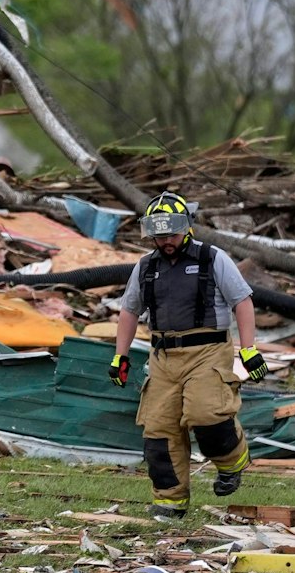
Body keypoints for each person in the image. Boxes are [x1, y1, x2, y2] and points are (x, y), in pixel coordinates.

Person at [110, 191, 267, 519]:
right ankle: (170, 505)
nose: (165, 241)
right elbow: (128, 311)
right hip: (163, 358)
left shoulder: (212, 258)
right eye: (158, 235)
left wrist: (249, 349)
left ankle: (232, 462)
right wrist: (120, 357)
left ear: (186, 229)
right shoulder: (145, 267)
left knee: (207, 415)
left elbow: (242, 301)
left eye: (171, 234)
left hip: (207, 351)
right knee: (158, 431)